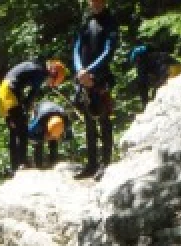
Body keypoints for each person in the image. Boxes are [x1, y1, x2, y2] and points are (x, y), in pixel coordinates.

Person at [72, 0, 118, 180]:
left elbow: (108, 51)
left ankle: (105, 163)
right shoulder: (86, 21)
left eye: (99, 2)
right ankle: (91, 164)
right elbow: (76, 47)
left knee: (104, 119)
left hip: (100, 77)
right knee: (89, 122)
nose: (96, 4)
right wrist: (80, 70)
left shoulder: (110, 22)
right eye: (93, 2)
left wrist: (89, 71)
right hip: (83, 77)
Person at [0, 59, 68, 173]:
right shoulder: (41, 72)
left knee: (14, 131)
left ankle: (15, 166)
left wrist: (25, 105)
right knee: (22, 130)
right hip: (10, 93)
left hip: (3, 92)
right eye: (53, 80)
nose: (50, 83)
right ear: (53, 72)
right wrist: (26, 106)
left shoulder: (36, 66)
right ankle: (22, 163)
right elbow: (33, 92)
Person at [127, 45, 181, 111]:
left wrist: (145, 104)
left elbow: (142, 83)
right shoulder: (159, 55)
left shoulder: (142, 62)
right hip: (180, 70)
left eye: (135, 62)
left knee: (156, 95)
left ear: (138, 58)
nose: (136, 64)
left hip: (169, 74)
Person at [27, 101, 71, 169]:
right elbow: (29, 134)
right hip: (40, 110)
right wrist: (42, 137)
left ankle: (53, 162)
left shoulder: (66, 121)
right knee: (38, 142)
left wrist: (60, 138)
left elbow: (68, 137)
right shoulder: (39, 122)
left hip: (54, 112)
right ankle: (38, 165)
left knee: (54, 141)